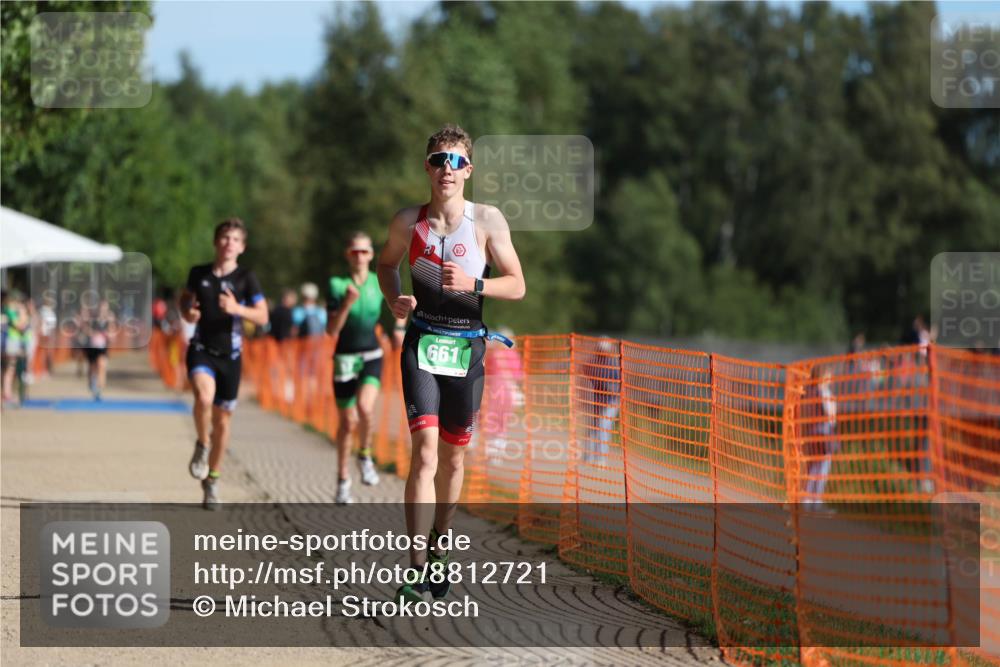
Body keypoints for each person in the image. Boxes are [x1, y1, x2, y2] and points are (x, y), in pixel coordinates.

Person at [377, 124, 526, 603]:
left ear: (469, 171)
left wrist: (473, 284)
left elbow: (518, 285)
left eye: (457, 161)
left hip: (467, 348)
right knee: (423, 454)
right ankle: (417, 566)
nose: (448, 169)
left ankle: (441, 541)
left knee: (454, 456)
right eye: (440, 160)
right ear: (427, 167)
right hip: (422, 343)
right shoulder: (407, 222)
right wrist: (393, 298)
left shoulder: (487, 221)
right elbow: (386, 265)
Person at [179, 218, 268, 510]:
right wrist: (188, 313)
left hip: (230, 357)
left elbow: (262, 317)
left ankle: (213, 480)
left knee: (223, 421)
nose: (229, 243)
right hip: (201, 349)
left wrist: (236, 309)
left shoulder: (246, 278)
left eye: (235, 239)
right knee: (203, 397)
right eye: (224, 237)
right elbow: (185, 301)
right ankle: (202, 444)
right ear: (216, 242)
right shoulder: (199, 273)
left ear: (242, 247)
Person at [327, 232, 405, 504]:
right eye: (354, 252)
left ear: (371, 255)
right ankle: (342, 480)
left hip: (372, 354)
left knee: (365, 408)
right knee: (347, 423)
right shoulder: (337, 285)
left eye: (364, 251)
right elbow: (331, 329)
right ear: (348, 255)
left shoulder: (377, 283)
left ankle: (365, 455)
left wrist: (398, 328)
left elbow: (396, 311)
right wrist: (347, 303)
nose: (359, 256)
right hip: (344, 358)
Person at [83, 298, 116, 401]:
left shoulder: (110, 319)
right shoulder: (92, 318)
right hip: (92, 346)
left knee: (102, 366)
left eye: (105, 307)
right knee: (92, 368)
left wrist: (109, 335)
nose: (103, 309)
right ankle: (92, 383)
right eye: (101, 307)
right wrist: (92, 333)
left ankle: (99, 390)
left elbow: (112, 332)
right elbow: (85, 329)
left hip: (102, 347)